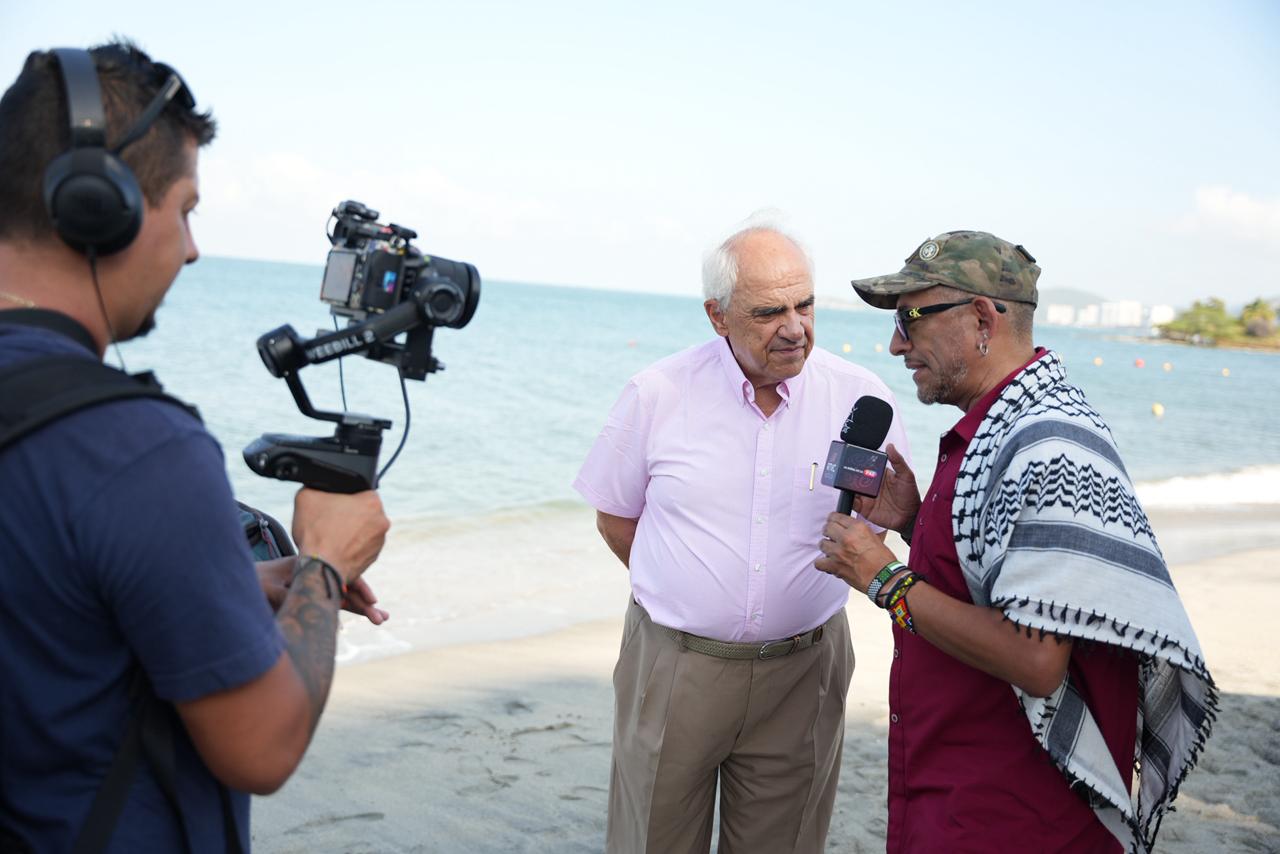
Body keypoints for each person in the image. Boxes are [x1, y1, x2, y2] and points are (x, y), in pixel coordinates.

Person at [0, 42, 391, 852]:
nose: (191, 247)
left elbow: (48, 606)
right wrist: (324, 562)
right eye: (185, 210)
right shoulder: (137, 448)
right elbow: (262, 746)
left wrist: (234, 585)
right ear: (98, 206)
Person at [816, 230, 1215, 853]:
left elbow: (1035, 660)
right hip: (966, 797)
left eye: (910, 319)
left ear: (982, 319)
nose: (896, 344)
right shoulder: (1004, 428)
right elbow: (1002, 576)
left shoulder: (1049, 445)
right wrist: (916, 523)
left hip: (1018, 817)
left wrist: (885, 579)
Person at [574, 222, 910, 853]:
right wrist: (690, 594)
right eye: (768, 312)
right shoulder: (657, 393)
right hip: (675, 666)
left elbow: (882, 519)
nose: (794, 327)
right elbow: (616, 519)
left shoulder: (862, 398)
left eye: (804, 305)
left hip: (806, 670)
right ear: (717, 316)